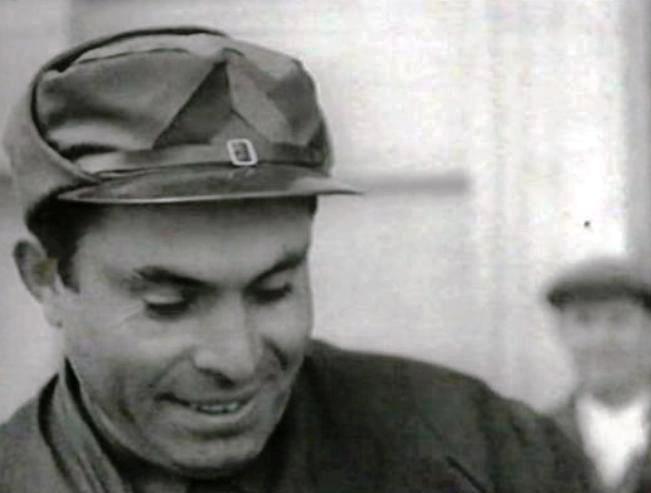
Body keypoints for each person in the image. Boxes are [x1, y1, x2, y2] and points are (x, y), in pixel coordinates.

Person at [0, 26, 590, 492]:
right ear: (46, 279)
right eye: (169, 304)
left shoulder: (489, 456)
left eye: (274, 289)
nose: (237, 358)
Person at [546, 256, 651, 493]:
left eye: (620, 320)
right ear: (562, 332)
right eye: (584, 321)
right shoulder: (530, 444)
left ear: (649, 330)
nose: (601, 340)